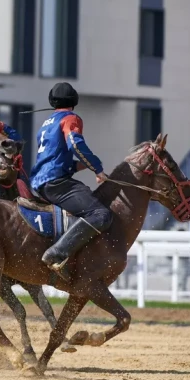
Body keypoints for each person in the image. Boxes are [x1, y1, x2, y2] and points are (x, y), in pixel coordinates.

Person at [29, 82, 112, 281]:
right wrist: (97, 168)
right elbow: (75, 145)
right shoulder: (71, 118)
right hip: (56, 183)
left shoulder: (46, 123)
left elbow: (54, 158)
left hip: (41, 183)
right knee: (100, 214)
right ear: (74, 101)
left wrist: (79, 166)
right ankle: (56, 254)